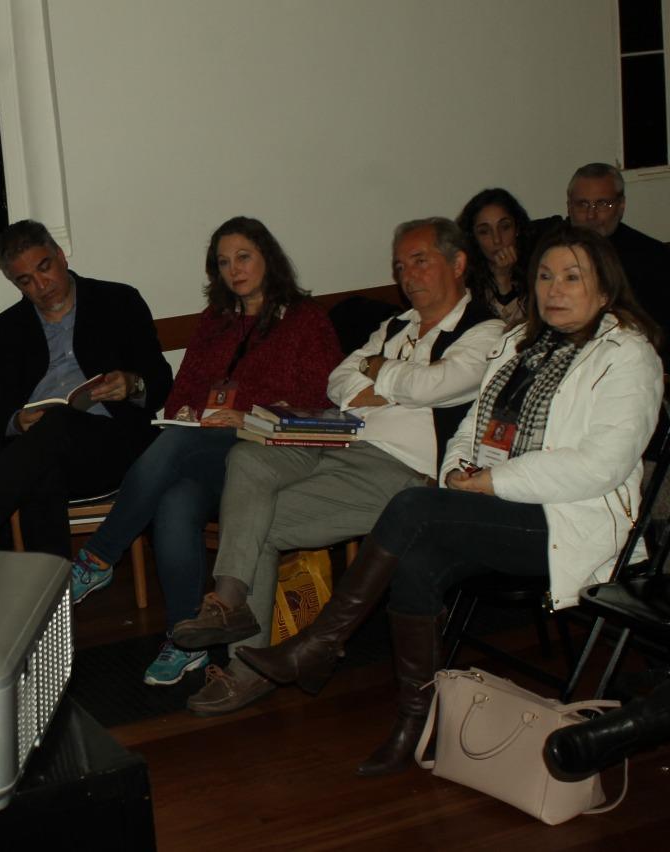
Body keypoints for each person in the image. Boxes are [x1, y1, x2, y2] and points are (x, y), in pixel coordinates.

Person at [237, 224, 662, 777]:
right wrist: (460, 469)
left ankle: (319, 644)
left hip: (570, 520)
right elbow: (471, 427)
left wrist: (492, 482)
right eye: (545, 276)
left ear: (604, 288)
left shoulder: (628, 357)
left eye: (572, 277)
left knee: (413, 508)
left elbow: (599, 466)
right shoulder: (520, 343)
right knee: (416, 557)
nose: (554, 289)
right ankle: (416, 727)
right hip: (502, 504)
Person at [171, 218, 505, 716]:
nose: (407, 275)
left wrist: (380, 373)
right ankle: (231, 601)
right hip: (341, 444)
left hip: (404, 471)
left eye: (419, 261)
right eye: (400, 266)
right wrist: (388, 380)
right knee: (248, 457)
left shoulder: (487, 331)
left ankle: (246, 668)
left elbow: (437, 386)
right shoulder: (396, 326)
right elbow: (339, 380)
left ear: (458, 264)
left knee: (254, 524)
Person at [68, 216, 342, 689]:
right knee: (175, 495)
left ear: (267, 258)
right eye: (224, 262)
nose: (234, 270)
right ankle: (185, 640)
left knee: (175, 448)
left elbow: (320, 401)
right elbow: (180, 393)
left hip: (269, 450)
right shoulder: (215, 322)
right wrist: (188, 411)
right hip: (210, 450)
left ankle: (98, 556)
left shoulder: (306, 320)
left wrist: (246, 414)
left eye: (243, 257)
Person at [0, 219, 173, 558]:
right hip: (45, 455)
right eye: (26, 280)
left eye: (44, 268)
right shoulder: (3, 333)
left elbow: (161, 381)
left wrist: (132, 384)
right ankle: (55, 587)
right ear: (15, 284)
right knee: (43, 460)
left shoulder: (118, 302)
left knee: (55, 428)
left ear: (60, 256)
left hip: (115, 446)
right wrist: (18, 421)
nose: (41, 285)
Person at [566, 162, 670, 338]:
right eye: (582, 204)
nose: (591, 215)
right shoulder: (552, 251)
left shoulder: (652, 258)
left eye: (602, 204)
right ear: (569, 206)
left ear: (621, 206)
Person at [456, 187, 534, 324]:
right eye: (484, 231)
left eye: (505, 227)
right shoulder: (463, 279)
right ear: (473, 237)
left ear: (517, 228)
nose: (497, 240)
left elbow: (521, 331)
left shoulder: (538, 269)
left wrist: (504, 280)